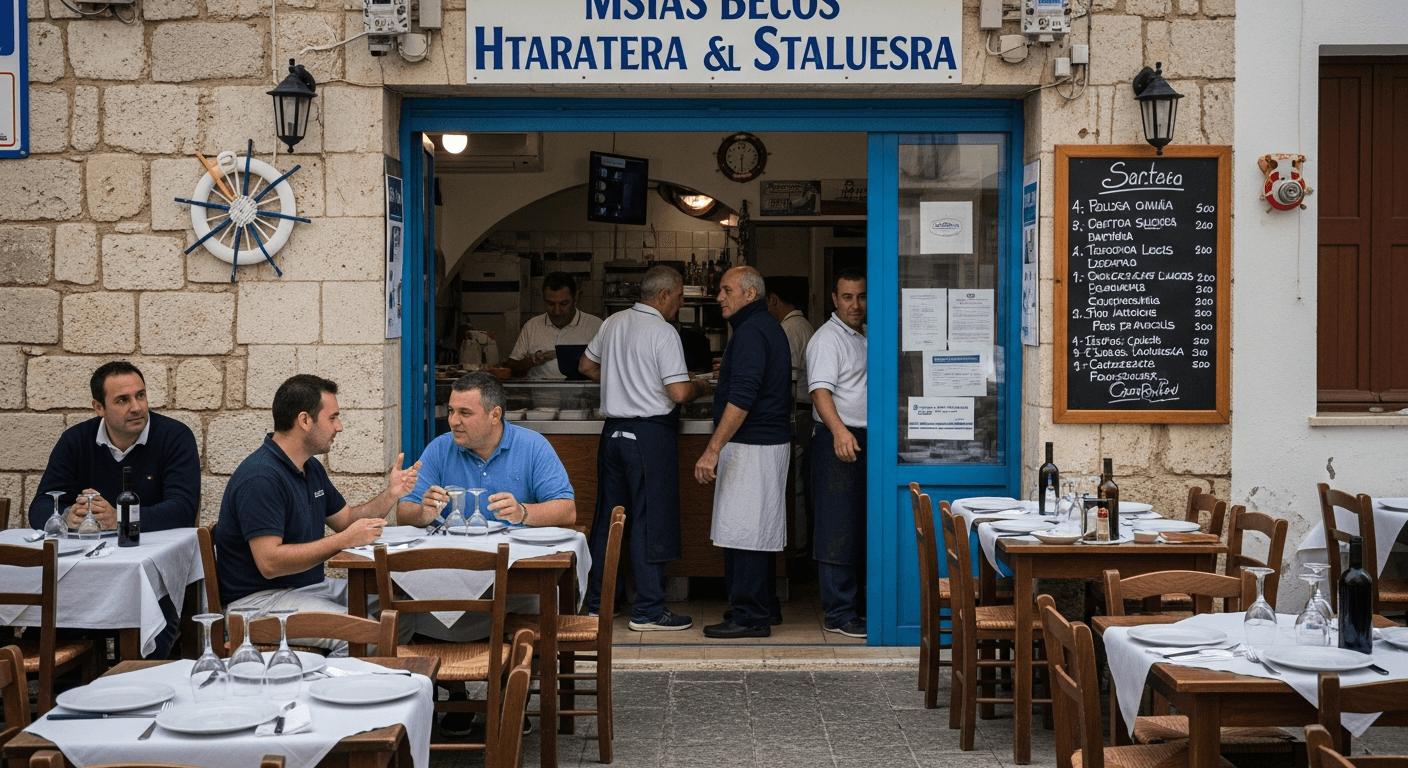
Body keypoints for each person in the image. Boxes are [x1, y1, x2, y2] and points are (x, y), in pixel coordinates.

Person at [396, 370, 575, 736]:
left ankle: (512, 696)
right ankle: (453, 693)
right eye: (450, 411)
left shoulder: (532, 446)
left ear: (495, 415)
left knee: (532, 606)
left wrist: (526, 512)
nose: (453, 421)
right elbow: (405, 512)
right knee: (403, 604)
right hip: (444, 578)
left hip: (513, 583)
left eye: (465, 412)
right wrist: (423, 511)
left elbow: (567, 510)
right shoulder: (439, 448)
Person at [214, 374, 421, 655]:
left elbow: (346, 520)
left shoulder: (309, 468)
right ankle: (335, 693)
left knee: (403, 605)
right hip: (257, 605)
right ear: (305, 420)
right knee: (366, 635)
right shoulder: (261, 477)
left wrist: (392, 493)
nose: (340, 426)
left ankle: (374, 683)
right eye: (333, 417)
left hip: (309, 588)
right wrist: (342, 541)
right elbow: (269, 562)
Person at [28, 360, 200, 659]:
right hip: (86, 577)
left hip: (152, 572)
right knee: (47, 623)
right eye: (123, 400)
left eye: (141, 395)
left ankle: (140, 691)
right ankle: (65, 696)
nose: (137, 407)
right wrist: (67, 514)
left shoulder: (174, 436)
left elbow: (182, 509)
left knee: (156, 626)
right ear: (99, 407)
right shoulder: (76, 440)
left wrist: (120, 518)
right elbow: (40, 505)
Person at [579, 265, 712, 632]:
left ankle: (597, 603)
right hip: (649, 436)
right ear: (664, 295)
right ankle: (649, 609)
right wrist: (702, 385)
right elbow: (679, 393)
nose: (681, 303)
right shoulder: (664, 333)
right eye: (681, 296)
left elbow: (586, 365)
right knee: (649, 520)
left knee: (609, 520)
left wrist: (621, 381)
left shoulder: (613, 322)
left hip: (614, 435)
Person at [696, 266, 792, 639]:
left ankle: (750, 616)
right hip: (764, 444)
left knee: (744, 532)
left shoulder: (751, 331)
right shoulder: (764, 326)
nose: (719, 297)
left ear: (749, 294)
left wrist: (712, 449)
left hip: (753, 445)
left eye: (726, 290)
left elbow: (743, 395)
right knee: (757, 528)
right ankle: (764, 604)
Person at [806, 268, 869, 638]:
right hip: (838, 441)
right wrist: (839, 431)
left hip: (860, 438)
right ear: (834, 299)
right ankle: (838, 613)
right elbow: (820, 392)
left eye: (860, 296)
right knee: (836, 526)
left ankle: (855, 607)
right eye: (847, 297)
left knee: (856, 525)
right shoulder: (827, 339)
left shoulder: (860, 335)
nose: (855, 305)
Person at [766, 277, 815, 552]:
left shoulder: (790, 329)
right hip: (805, 410)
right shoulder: (803, 325)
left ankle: (796, 545)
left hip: (800, 411)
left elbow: (787, 378)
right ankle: (799, 543)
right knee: (798, 479)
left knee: (794, 480)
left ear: (773, 299)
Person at [506, 272, 603, 379]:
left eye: (564, 304)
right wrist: (532, 361)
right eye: (550, 304)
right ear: (544, 299)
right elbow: (510, 370)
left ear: (575, 298)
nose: (557, 311)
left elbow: (611, 368)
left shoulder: (596, 326)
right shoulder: (532, 326)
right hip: (540, 394)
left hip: (582, 394)